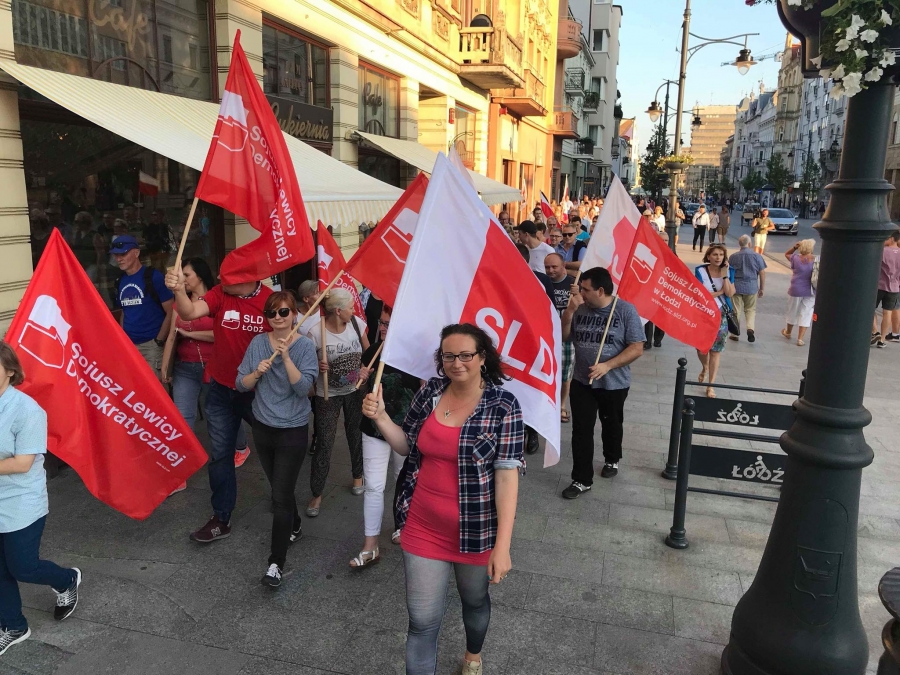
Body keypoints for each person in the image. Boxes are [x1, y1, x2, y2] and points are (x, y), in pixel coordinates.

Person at [361, 323, 524, 675]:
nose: (456, 363)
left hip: (477, 531)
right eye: (449, 356)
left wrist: (503, 546)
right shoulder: (431, 393)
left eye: (466, 355)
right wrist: (381, 417)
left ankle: (473, 655)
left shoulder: (503, 405)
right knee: (421, 622)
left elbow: (507, 477)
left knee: (474, 601)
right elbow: (407, 446)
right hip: (422, 525)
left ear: (483, 357)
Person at [165, 265, 273, 543]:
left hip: (258, 392)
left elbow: (289, 340)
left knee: (273, 448)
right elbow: (189, 312)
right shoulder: (220, 294)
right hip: (221, 389)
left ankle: (284, 504)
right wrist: (179, 290)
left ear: (248, 278)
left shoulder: (271, 302)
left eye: (228, 277)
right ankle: (221, 518)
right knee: (221, 455)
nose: (219, 279)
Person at [0, 343, 82, 657]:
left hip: (21, 500)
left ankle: (67, 579)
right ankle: (13, 626)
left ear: (10, 371)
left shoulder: (27, 410)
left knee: (23, 566)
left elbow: (22, 463)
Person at [236, 292, 318, 587]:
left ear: (295, 314)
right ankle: (295, 525)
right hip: (263, 426)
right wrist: (255, 374)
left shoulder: (305, 346)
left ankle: (275, 563)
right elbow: (240, 383)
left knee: (280, 497)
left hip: (293, 429)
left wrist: (285, 357)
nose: (278, 318)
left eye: (284, 312)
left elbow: (304, 388)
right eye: (271, 313)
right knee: (279, 487)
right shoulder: (258, 343)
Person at [163, 258, 251, 493]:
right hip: (185, 368)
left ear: (199, 276)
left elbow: (218, 334)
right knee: (182, 418)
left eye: (187, 275)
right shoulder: (179, 303)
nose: (183, 279)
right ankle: (180, 472)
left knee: (223, 415)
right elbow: (172, 335)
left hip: (214, 367)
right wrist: (165, 367)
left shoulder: (217, 299)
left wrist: (191, 334)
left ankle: (241, 447)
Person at [560, 267, 644, 497]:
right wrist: (569, 311)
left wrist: (608, 365)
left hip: (613, 383)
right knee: (581, 430)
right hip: (582, 381)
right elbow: (564, 335)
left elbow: (637, 347)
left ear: (600, 290)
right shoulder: (580, 308)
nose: (581, 293)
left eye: (585, 289)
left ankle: (612, 458)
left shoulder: (625, 310)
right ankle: (581, 479)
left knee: (612, 423)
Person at [351, 306, 422, 568]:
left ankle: (402, 525)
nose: (382, 328)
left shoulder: (417, 356)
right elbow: (356, 385)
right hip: (373, 428)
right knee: (373, 486)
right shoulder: (373, 351)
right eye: (382, 322)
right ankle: (370, 545)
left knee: (402, 479)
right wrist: (359, 376)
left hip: (405, 429)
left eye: (389, 324)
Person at [307, 289, 370, 517]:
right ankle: (317, 493)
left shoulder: (357, 325)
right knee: (324, 441)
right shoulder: (316, 332)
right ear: (337, 310)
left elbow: (368, 354)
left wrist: (365, 369)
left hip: (355, 390)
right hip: (327, 394)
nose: (354, 311)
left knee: (355, 433)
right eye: (350, 307)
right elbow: (306, 364)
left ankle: (357, 476)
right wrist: (316, 366)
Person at [111, 235, 174, 380]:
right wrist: (123, 339)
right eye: (116, 255)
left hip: (151, 346)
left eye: (123, 254)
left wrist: (159, 341)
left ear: (136, 253)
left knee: (156, 390)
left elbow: (171, 310)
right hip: (129, 346)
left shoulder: (153, 277)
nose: (119, 258)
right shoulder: (120, 281)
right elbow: (124, 312)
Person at [695, 245, 736, 398]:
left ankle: (710, 385)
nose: (718, 257)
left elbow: (730, 293)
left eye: (721, 255)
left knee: (715, 351)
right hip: (703, 314)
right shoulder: (700, 271)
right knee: (701, 349)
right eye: (715, 254)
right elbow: (699, 295)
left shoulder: (729, 271)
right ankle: (705, 367)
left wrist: (725, 276)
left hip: (721, 315)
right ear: (708, 256)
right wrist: (719, 292)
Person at [544, 253, 576, 423]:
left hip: (566, 336)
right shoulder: (541, 281)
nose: (550, 270)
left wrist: (578, 295)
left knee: (565, 373)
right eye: (547, 267)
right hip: (546, 334)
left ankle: (562, 405)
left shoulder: (574, 283)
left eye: (554, 267)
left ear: (563, 266)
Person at [728, 235, 767, 343]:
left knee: (736, 310)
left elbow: (729, 272)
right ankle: (750, 329)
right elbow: (762, 273)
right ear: (749, 244)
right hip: (751, 286)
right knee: (750, 309)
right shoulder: (757, 256)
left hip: (736, 286)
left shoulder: (733, 257)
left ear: (739, 244)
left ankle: (735, 333)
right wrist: (762, 288)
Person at [781, 239, 817, 347]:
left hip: (796, 289)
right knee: (806, 313)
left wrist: (795, 247)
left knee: (793, 311)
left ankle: (788, 332)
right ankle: (800, 339)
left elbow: (786, 254)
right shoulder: (816, 260)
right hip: (811, 290)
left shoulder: (795, 258)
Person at [873, 230, 900, 347]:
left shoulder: (882, 251)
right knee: (887, 312)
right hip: (894, 287)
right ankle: (882, 340)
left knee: (871, 309)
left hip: (880, 285)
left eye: (887, 238)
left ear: (892, 239)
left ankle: (875, 331)